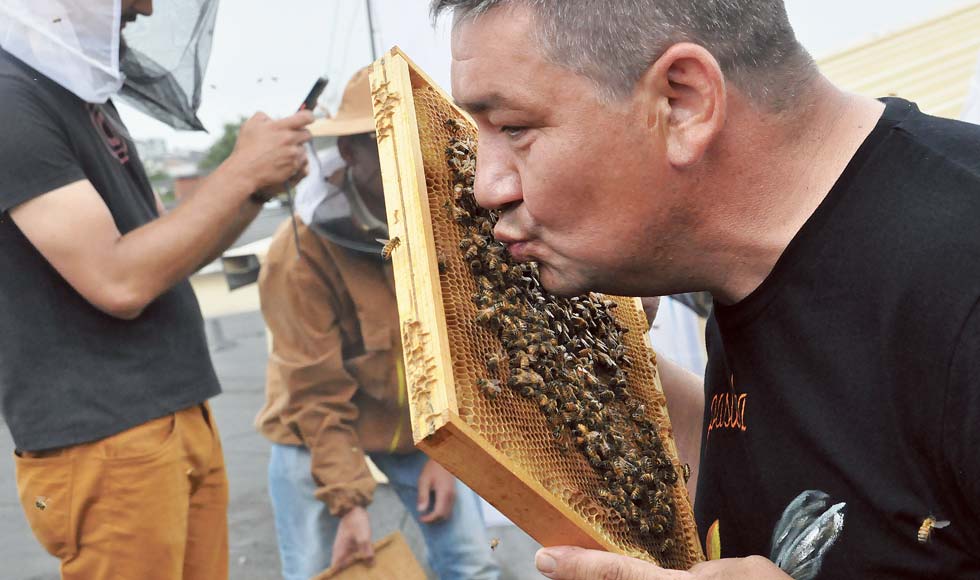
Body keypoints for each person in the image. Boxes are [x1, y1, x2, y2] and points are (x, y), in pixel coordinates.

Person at [431, 0, 980, 578]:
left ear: (682, 102)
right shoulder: (748, 262)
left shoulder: (960, 280)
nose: (484, 187)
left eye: (514, 128)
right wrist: (603, 372)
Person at [0, 1, 313, 578]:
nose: (146, 9)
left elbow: (162, 249)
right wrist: (241, 170)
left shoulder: (75, 92)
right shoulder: (10, 98)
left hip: (168, 416)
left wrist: (256, 188)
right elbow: (118, 280)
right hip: (106, 439)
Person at [255, 68, 500, 580]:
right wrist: (347, 502)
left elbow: (466, 344)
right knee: (324, 569)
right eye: (383, 142)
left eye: (411, 140)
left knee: (473, 565)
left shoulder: (445, 223)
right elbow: (314, 391)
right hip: (316, 431)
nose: (404, 157)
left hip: (419, 431)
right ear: (349, 153)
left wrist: (452, 455)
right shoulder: (298, 255)